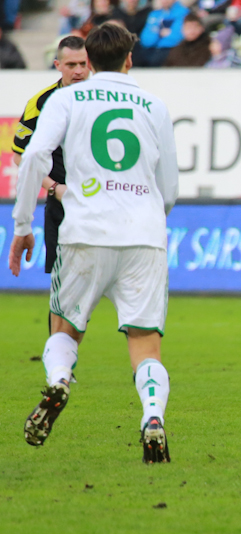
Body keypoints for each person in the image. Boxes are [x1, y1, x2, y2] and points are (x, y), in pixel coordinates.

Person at [9, 22, 180, 462]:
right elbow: (170, 188)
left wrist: (22, 225)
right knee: (145, 342)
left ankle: (59, 381)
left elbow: (33, 156)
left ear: (90, 60)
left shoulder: (66, 99)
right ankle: (152, 415)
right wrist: (147, 219)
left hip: (85, 230)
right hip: (143, 235)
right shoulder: (155, 105)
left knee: (65, 328)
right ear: (129, 59)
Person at [12, 36, 89, 312]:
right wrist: (55, 187)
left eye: (83, 64)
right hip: (62, 204)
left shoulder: (102, 99)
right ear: (58, 65)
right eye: (71, 65)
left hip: (102, 204)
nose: (78, 71)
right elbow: (21, 156)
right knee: (64, 294)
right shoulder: (42, 102)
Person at [135, 0, 190, 67]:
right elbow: (145, 40)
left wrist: (156, 31)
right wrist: (159, 33)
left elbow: (179, 37)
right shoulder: (154, 14)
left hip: (171, 51)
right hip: (151, 51)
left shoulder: (184, 13)